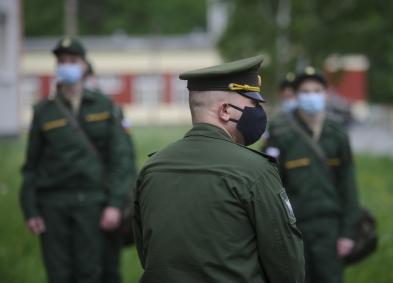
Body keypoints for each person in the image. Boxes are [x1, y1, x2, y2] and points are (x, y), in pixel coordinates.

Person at [133, 56, 305, 283]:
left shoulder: (152, 168)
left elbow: (148, 254)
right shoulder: (255, 170)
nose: (260, 112)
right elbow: (286, 266)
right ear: (225, 110)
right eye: (253, 105)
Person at [20, 37, 130, 283]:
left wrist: (115, 203)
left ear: (83, 65)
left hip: (93, 204)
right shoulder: (43, 112)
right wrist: (30, 209)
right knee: (59, 274)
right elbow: (31, 166)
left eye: (72, 60)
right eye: (61, 61)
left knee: (91, 273)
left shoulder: (104, 106)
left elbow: (120, 158)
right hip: (53, 206)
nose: (66, 65)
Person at [263, 66, 360, 283]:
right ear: (296, 96)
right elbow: (270, 185)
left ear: (326, 94)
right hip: (294, 228)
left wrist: (348, 232)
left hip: (330, 228)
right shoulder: (280, 133)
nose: (311, 96)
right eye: (306, 92)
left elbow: (348, 186)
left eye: (316, 90)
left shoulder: (337, 134)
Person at [82, 58, 138, 283]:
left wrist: (119, 202)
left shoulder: (111, 110)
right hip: (74, 202)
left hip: (107, 197)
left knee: (108, 269)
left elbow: (125, 157)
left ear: (93, 80)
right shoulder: (54, 111)